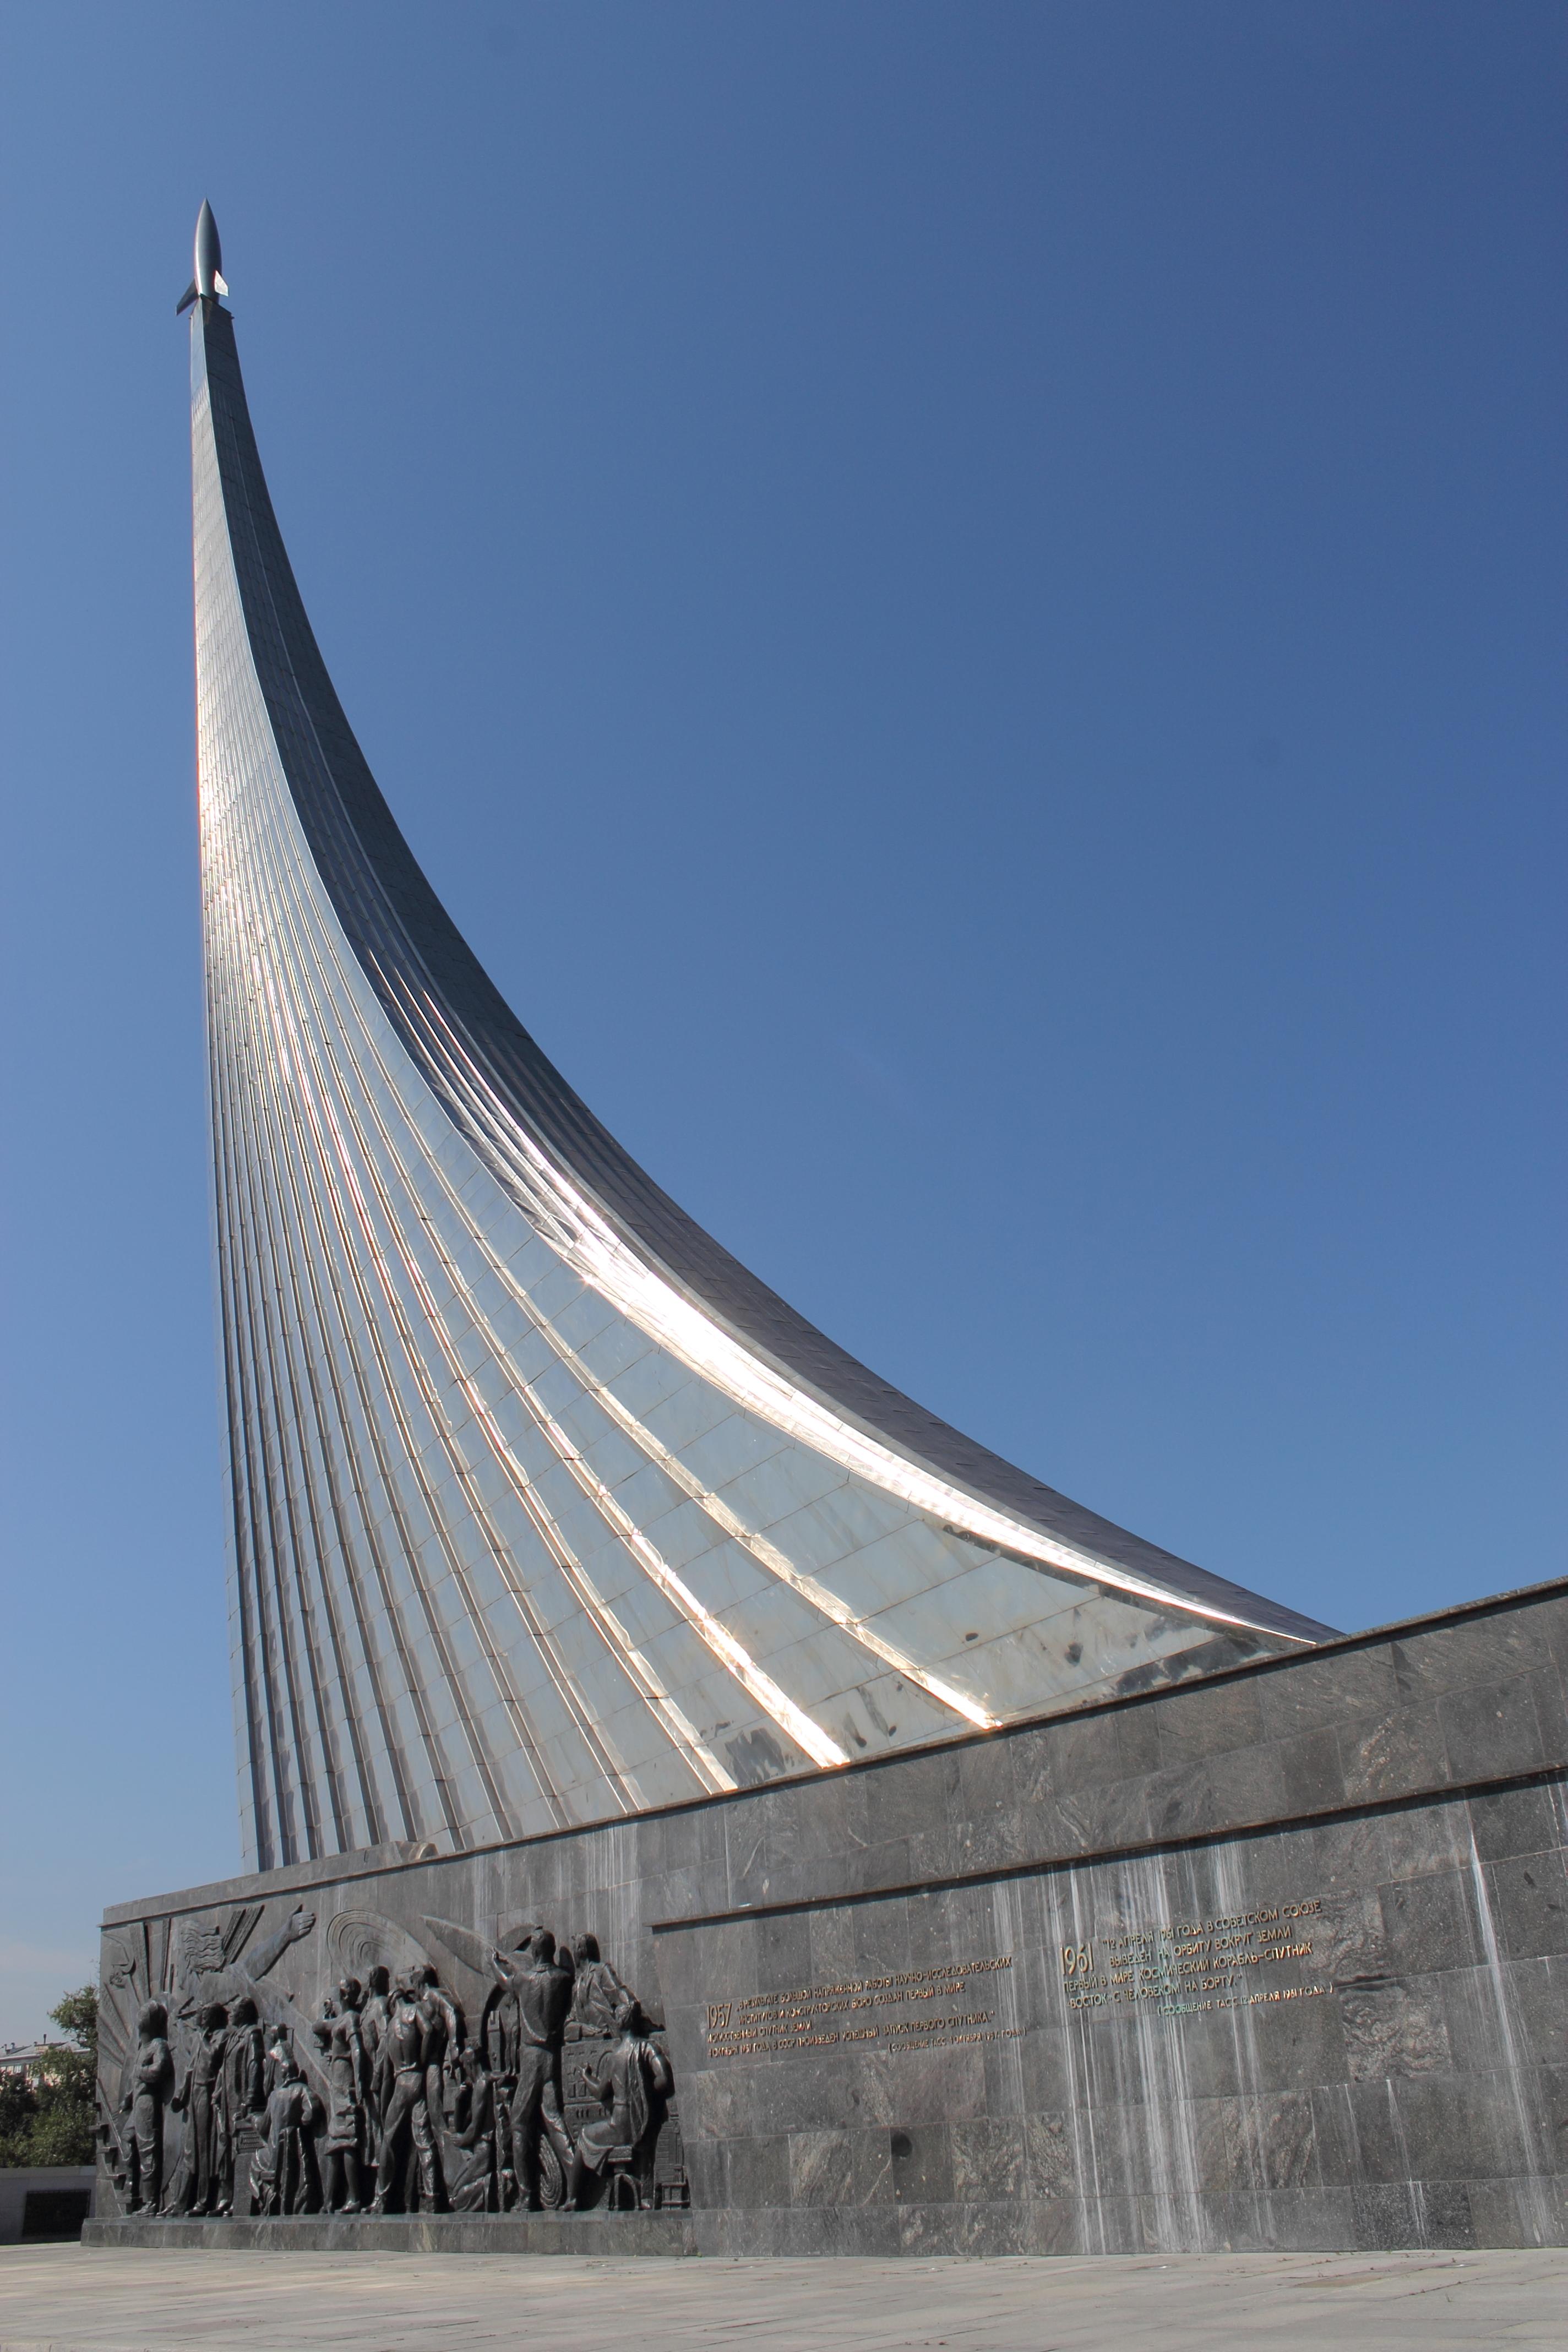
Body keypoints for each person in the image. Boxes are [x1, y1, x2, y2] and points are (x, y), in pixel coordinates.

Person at [489, 1929, 575, 2209]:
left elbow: (504, 1981)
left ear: (535, 1953)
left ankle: (527, 2196)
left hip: (530, 2060)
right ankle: (575, 2182)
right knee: (555, 2122)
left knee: (519, 2123)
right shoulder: (564, 1979)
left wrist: (494, 1962)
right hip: (552, 2058)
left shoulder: (524, 1980)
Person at [566, 2000, 672, 2212]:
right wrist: (646, 2094)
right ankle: (647, 2198)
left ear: (619, 2025)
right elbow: (665, 2079)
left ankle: (573, 2198)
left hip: (622, 2125)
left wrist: (586, 2076)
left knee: (584, 2136)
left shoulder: (615, 2058)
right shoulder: (648, 2048)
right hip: (646, 2121)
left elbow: (600, 2092)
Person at [371, 1973, 444, 2214]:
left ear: (392, 2003)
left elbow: (385, 2074)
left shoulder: (391, 2027)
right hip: (418, 2077)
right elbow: (430, 2031)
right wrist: (423, 2060)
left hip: (402, 2082)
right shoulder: (413, 2012)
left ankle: (382, 2200)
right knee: (424, 2140)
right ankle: (433, 2197)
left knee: (389, 2142)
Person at [312, 1981, 370, 2214]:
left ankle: (355, 2198)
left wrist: (360, 2080)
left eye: (340, 1992)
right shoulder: (340, 2019)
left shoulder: (352, 2019)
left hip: (346, 2083)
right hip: (336, 2086)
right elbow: (318, 2027)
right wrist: (328, 2014)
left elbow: (356, 2050)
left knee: (347, 2141)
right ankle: (329, 2201)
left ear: (345, 1995)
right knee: (335, 2143)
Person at [171, 2002, 231, 2216]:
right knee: (192, 2149)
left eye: (205, 2017)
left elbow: (212, 2059)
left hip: (209, 2092)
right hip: (194, 2095)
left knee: (205, 2149)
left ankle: (204, 2200)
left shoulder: (222, 2036)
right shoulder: (200, 2039)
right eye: (201, 2017)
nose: (201, 2020)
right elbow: (191, 2068)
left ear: (213, 2018)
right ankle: (184, 2199)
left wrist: (202, 2037)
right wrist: (180, 2094)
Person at [248, 2052, 321, 2217]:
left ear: (282, 2075)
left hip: (274, 2154)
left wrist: (254, 2118)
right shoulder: (303, 2090)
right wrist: (298, 2127)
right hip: (292, 2152)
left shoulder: (274, 2096)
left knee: (256, 2158)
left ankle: (267, 2195)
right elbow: (312, 2113)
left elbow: (262, 2127)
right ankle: (271, 2196)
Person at [120, 2001, 175, 2215]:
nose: (140, 2017)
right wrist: (127, 2098)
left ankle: (151, 2202)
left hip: (147, 2104)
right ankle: (133, 2189)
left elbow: (161, 2069)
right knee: (127, 2139)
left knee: (148, 2150)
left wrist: (142, 2072)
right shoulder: (142, 2047)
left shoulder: (158, 2044)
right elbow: (136, 2077)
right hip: (137, 2104)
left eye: (145, 2015)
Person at [446, 2044, 499, 2213]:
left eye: (465, 2067)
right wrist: (458, 2100)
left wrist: (462, 2140)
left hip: (483, 2149)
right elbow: (463, 2124)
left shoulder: (482, 2086)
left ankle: (488, 2185)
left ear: (470, 2065)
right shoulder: (477, 2085)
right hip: (477, 2148)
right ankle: (486, 2186)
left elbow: (475, 2127)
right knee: (454, 2189)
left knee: (455, 2198)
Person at [568, 1934, 635, 2039]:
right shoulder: (576, 1986)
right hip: (588, 2043)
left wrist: (628, 2006)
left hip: (610, 2037)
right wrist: (581, 2029)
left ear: (581, 1951)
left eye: (574, 1950)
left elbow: (620, 1993)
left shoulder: (601, 1971)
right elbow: (570, 2020)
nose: (573, 1954)